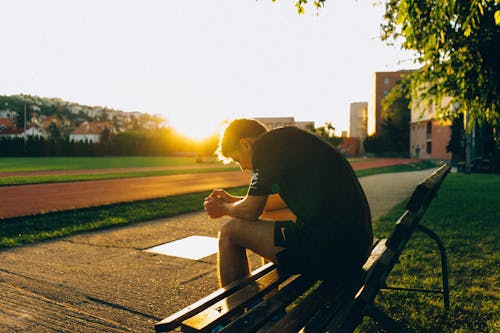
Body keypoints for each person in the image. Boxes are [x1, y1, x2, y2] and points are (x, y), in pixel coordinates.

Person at [204, 119, 372, 287]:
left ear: (246, 144)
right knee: (269, 219)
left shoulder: (264, 146)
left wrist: (223, 208)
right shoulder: (288, 142)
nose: (243, 168)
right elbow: (272, 205)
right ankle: (270, 306)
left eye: (237, 159)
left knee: (230, 232)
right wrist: (233, 201)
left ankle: (241, 313)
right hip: (356, 247)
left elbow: (250, 211)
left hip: (334, 253)